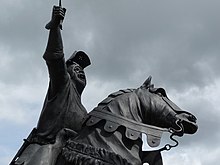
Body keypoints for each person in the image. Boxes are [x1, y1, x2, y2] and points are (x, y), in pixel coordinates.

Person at [12, 5, 91, 165]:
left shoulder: (85, 112)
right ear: (66, 72)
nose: (81, 71)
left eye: (82, 70)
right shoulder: (62, 85)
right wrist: (55, 27)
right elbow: (55, 57)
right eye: (76, 68)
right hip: (42, 151)